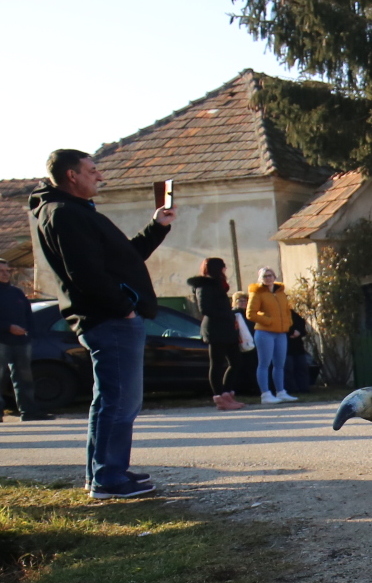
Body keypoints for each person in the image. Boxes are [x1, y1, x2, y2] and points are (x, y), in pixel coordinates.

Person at [28, 148, 174, 499]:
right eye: (93, 170)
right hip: (109, 320)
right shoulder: (63, 213)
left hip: (109, 318)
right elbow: (86, 272)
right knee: (120, 402)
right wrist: (122, 308)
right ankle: (108, 478)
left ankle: (105, 472)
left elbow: (122, 258)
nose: (101, 176)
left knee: (110, 400)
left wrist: (157, 227)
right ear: (71, 175)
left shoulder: (73, 212)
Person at [0, 258, 50, 422]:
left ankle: (28, 411)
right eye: (1, 271)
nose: (6, 274)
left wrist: (29, 333)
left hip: (21, 341)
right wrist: (7, 327)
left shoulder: (16, 292)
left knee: (24, 376)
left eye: (7, 271)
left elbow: (28, 315)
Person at [188, 257, 245, 410]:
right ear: (216, 268)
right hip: (214, 328)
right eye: (222, 267)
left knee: (236, 362)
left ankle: (227, 393)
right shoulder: (204, 286)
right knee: (217, 363)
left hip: (227, 328)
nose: (225, 269)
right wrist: (226, 315)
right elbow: (205, 309)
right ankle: (219, 396)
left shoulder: (220, 284)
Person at [245, 267, 296, 403]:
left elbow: (287, 310)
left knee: (279, 364)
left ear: (275, 277)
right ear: (260, 278)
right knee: (264, 363)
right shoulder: (257, 293)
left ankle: (281, 392)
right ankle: (265, 394)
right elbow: (250, 313)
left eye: (270, 275)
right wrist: (269, 321)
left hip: (281, 333)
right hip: (264, 332)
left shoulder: (280, 293)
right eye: (265, 276)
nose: (268, 278)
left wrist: (288, 323)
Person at [285, 309, 315, 392]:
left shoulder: (291, 312)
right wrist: (290, 332)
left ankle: (304, 388)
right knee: (288, 368)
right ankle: (291, 389)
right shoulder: (276, 313)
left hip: (297, 345)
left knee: (301, 366)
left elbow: (301, 322)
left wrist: (298, 331)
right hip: (285, 345)